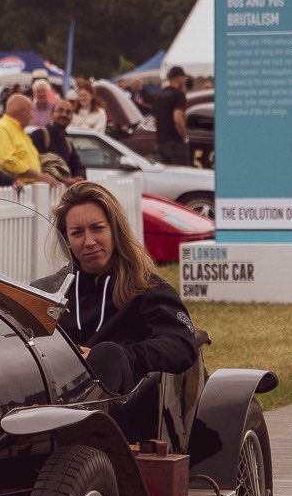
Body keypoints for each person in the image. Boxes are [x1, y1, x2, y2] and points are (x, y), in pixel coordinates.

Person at [51, 181, 198, 428]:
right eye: (77, 232)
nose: (89, 241)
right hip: (53, 408)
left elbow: (182, 345)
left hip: (128, 414)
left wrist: (122, 356)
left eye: (97, 228)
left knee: (107, 354)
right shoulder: (52, 291)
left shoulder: (147, 289)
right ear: (66, 239)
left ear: (115, 230)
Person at [0, 93, 60, 186]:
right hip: (10, 192)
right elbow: (7, 161)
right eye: (31, 111)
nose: (32, 116)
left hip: (26, 192)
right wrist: (37, 175)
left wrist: (43, 175)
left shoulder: (21, 132)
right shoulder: (1, 128)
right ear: (23, 112)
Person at [31, 98, 87, 185]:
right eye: (60, 111)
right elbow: (35, 165)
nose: (64, 115)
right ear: (51, 114)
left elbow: (78, 167)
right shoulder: (39, 135)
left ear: (71, 117)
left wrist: (79, 177)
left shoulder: (68, 144)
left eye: (68, 112)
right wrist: (63, 180)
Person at [156, 66, 190, 165]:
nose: (184, 80)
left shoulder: (160, 94)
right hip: (175, 144)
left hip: (160, 143)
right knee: (182, 176)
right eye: (184, 78)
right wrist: (185, 137)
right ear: (179, 78)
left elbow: (155, 120)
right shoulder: (179, 95)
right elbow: (177, 119)